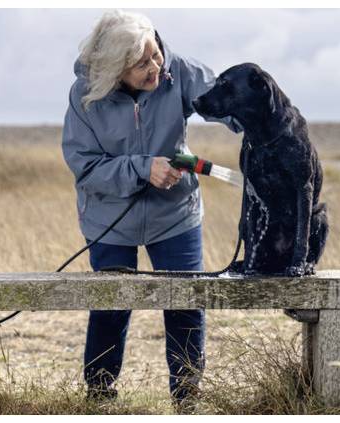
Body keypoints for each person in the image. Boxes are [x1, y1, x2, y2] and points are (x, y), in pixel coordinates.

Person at [61, 10, 241, 411]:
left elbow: (231, 103)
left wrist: (259, 117)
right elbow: (85, 166)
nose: (156, 67)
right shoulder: (84, 96)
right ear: (113, 71)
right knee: (112, 302)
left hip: (175, 214)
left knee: (185, 299)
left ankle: (188, 398)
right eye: (142, 64)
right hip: (109, 218)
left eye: (156, 54)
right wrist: (144, 168)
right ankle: (100, 396)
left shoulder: (179, 72)